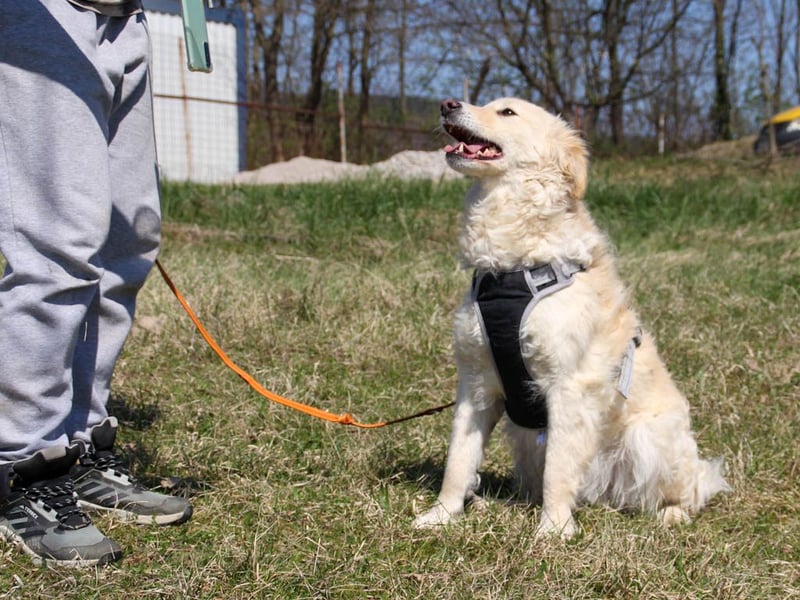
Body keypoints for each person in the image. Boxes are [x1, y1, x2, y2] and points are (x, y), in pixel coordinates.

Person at [0, 0, 192, 567]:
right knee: (58, 247)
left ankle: (78, 440)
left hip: (125, 19)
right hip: (49, 15)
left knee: (127, 244)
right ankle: (23, 462)